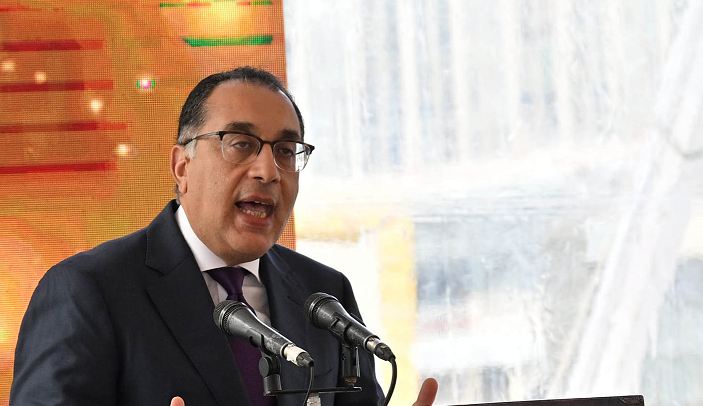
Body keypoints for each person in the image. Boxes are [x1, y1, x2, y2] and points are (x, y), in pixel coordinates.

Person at [10, 67, 438, 406]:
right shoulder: (88, 291)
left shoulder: (323, 293)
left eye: (285, 151)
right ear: (182, 167)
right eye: (240, 144)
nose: (268, 171)